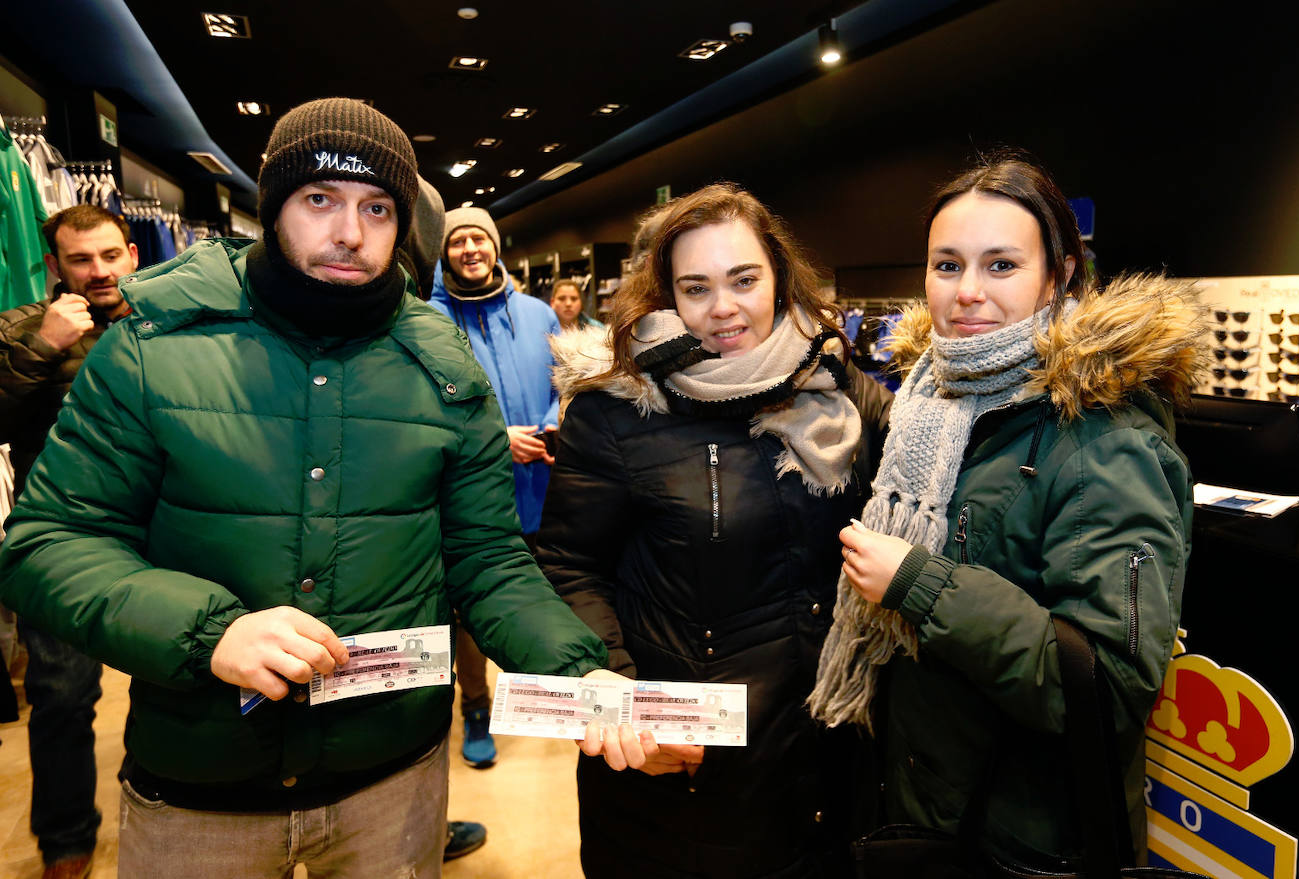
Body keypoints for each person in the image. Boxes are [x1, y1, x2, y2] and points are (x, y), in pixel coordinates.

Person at [0, 97, 612, 879]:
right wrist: (207, 631)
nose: (349, 232)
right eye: (320, 200)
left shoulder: (447, 370)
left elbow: (488, 561)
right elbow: (46, 545)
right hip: (200, 791)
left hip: (390, 784)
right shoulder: (151, 350)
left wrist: (580, 673)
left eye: (377, 208)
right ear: (273, 207)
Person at [809, 154, 1204, 869]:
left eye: (1000, 266)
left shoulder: (1105, 438)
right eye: (947, 265)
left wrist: (924, 585)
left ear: (1058, 276)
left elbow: (1108, 689)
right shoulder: (929, 405)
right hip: (930, 811)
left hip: (1024, 841)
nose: (966, 293)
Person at [539, 183, 891, 878]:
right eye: (695, 287)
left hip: (829, 754)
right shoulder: (618, 410)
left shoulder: (835, 382)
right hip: (689, 772)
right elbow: (567, 566)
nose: (722, 308)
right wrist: (613, 690)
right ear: (665, 294)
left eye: (743, 279)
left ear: (779, 278)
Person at [0, 203, 137, 879]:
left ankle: (189, 805)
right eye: (81, 259)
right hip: (61, 533)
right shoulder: (13, 329)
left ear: (132, 254)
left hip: (165, 527)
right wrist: (42, 348)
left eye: (109, 255)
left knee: (188, 676)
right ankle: (65, 839)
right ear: (54, 265)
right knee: (63, 693)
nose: (98, 271)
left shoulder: (169, 321)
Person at [429, 206, 560, 769]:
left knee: (544, 595)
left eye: (478, 237)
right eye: (458, 241)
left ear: (495, 245)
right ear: (445, 251)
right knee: (474, 611)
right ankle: (476, 708)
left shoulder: (537, 313)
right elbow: (424, 400)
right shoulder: (428, 319)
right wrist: (494, 436)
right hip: (471, 490)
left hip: (545, 484)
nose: (470, 249)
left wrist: (559, 416)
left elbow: (568, 376)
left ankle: (548, 691)